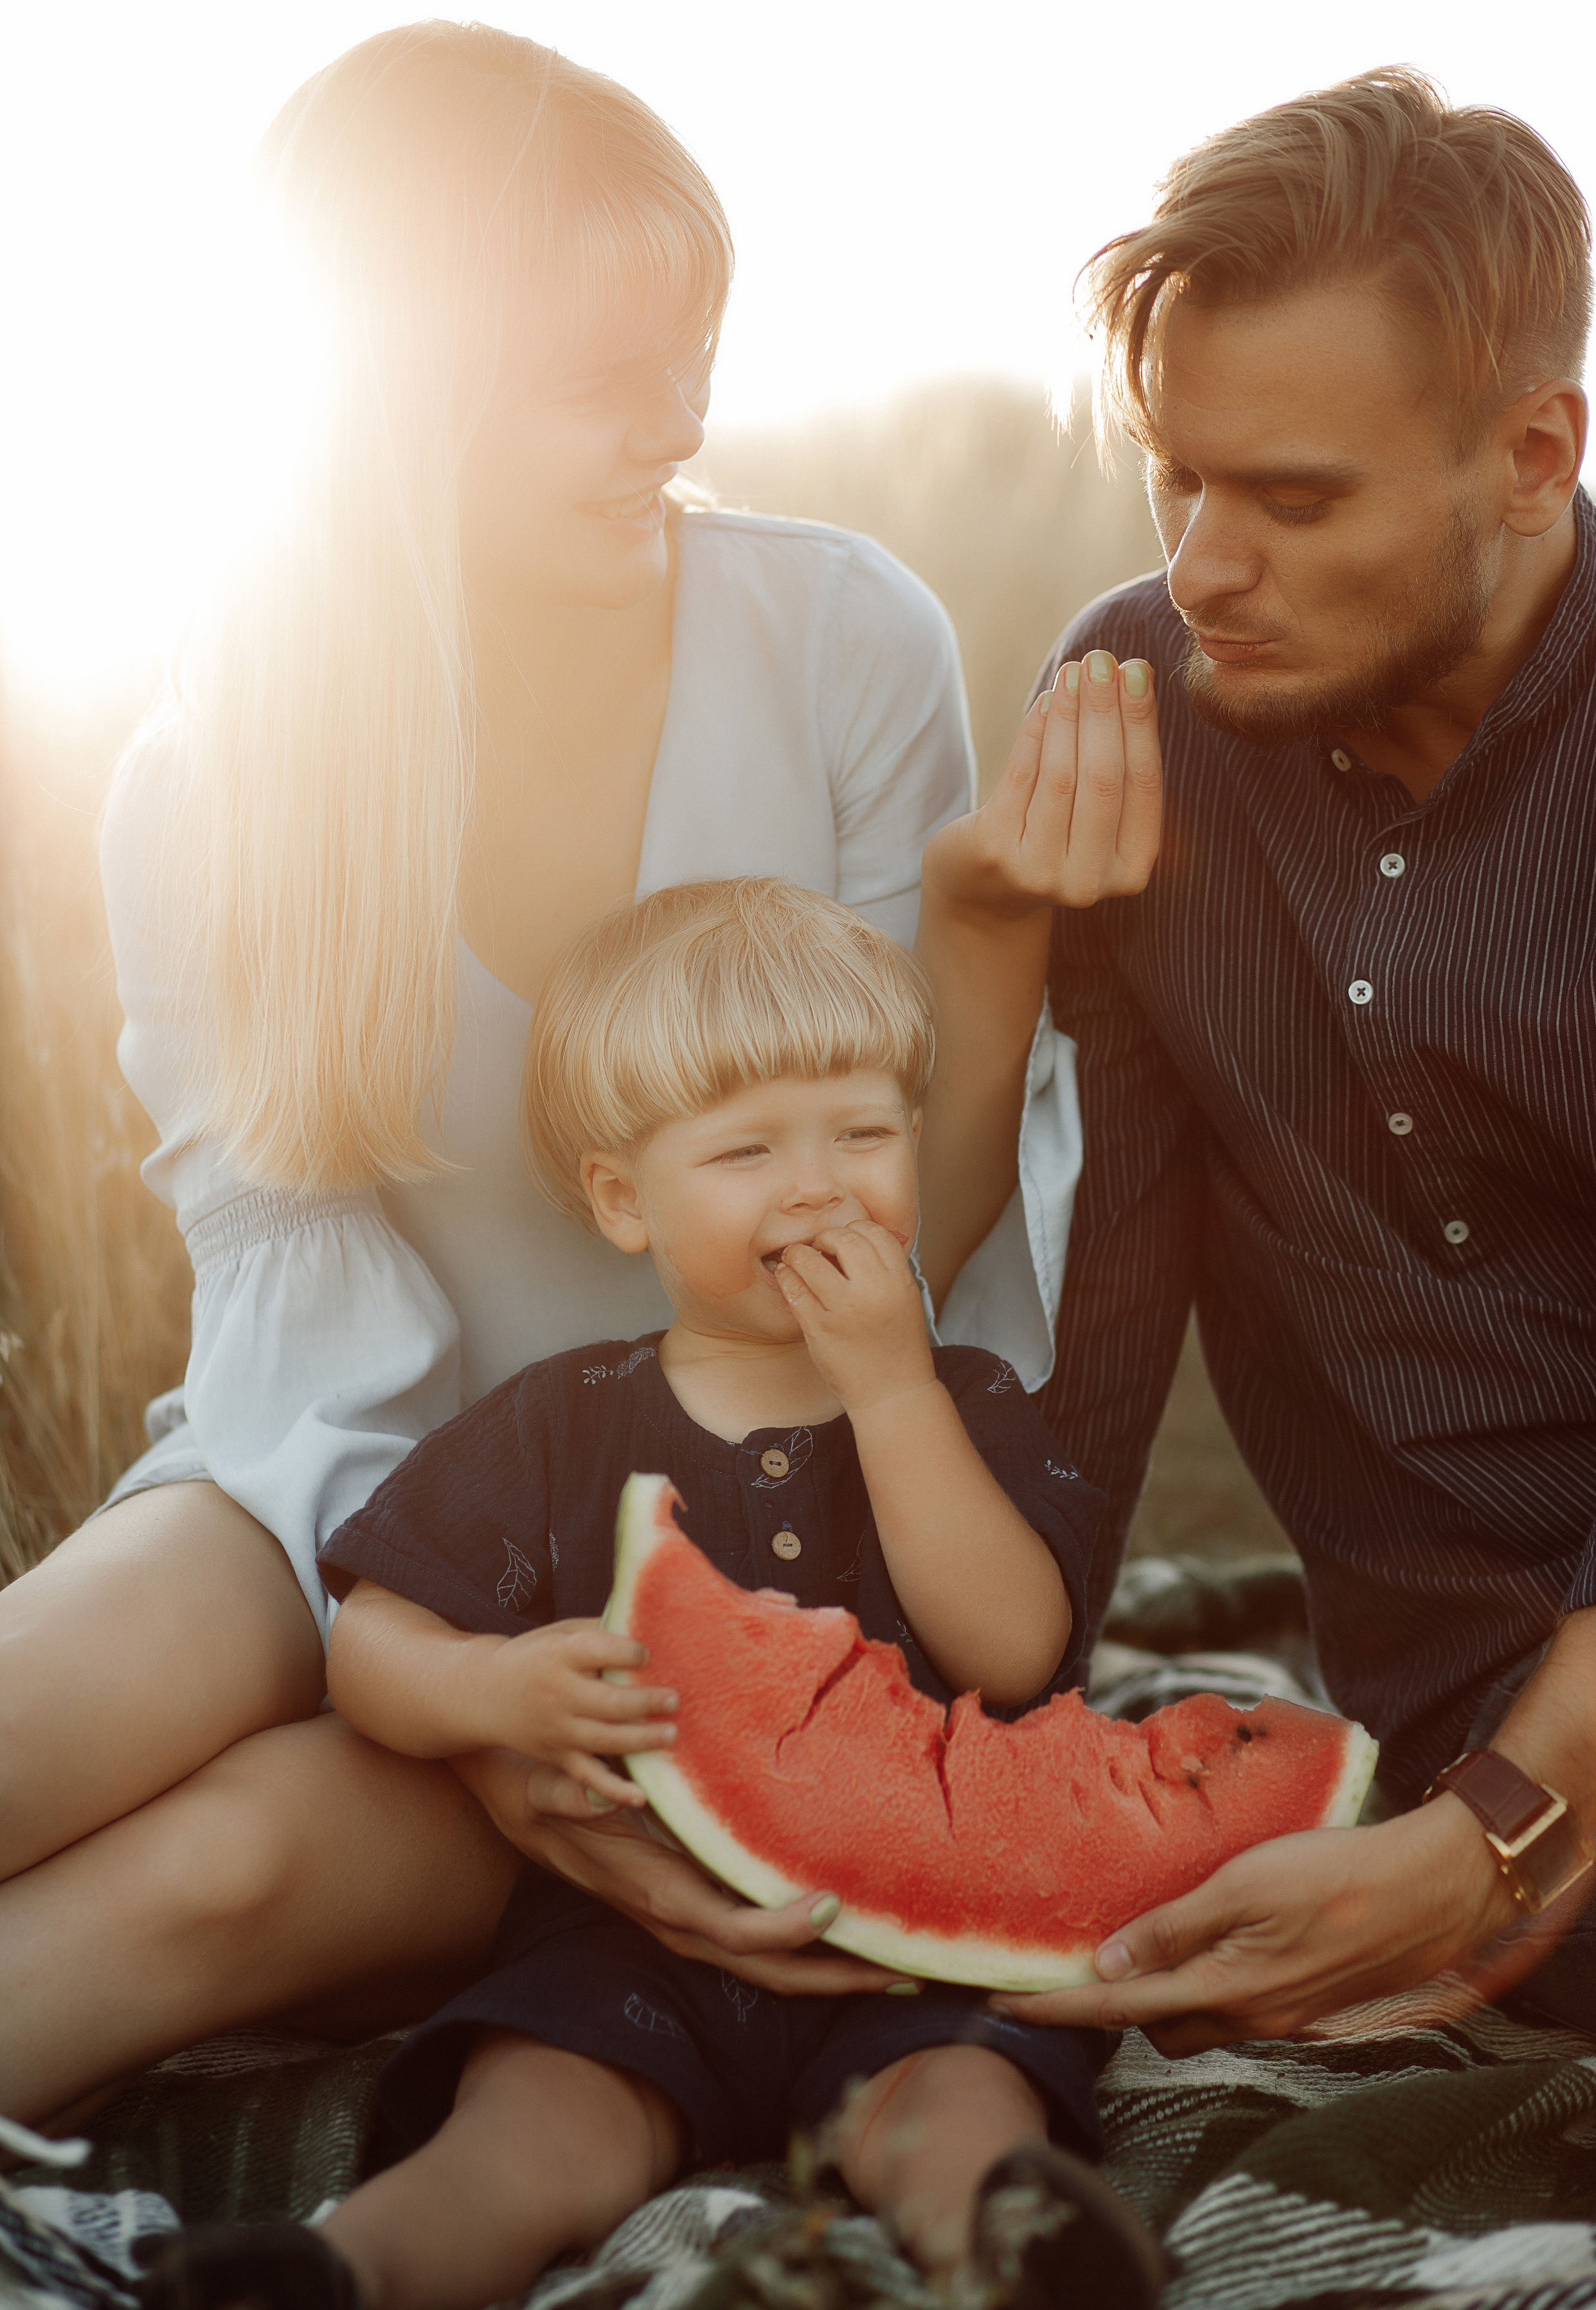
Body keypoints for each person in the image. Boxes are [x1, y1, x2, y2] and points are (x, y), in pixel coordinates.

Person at [0, 23, 1163, 2127]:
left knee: (229, 1864)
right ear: (391, 411)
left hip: (756, 1529)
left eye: (693, 351)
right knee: (42, 1712)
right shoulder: (213, 787)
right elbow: (289, 1331)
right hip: (358, 1485)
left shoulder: (840, 645)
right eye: (598, 381)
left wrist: (989, 942)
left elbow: (911, 1227)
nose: (678, 422)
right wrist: (432, 1672)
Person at [136, 880, 1165, 2310]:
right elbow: (371, 1645)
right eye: (746, 1150)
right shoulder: (560, 1423)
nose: (816, 1188)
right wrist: (486, 1686)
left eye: (862, 1136)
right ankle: (339, 2277)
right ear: (624, 1201)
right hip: (620, 1942)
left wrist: (893, 1392)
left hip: (915, 1949)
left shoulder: (968, 1408)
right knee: (528, 2131)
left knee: (956, 2102)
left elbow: (1009, 1654)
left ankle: (1006, 2247)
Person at [987, 68, 1596, 2057]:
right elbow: (1090, 1338)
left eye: (1295, 498)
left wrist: (1507, 1829)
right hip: (1458, 1708)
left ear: (1535, 454)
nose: (1202, 567)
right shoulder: (1137, 710)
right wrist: (945, 1766)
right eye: (1177, 478)